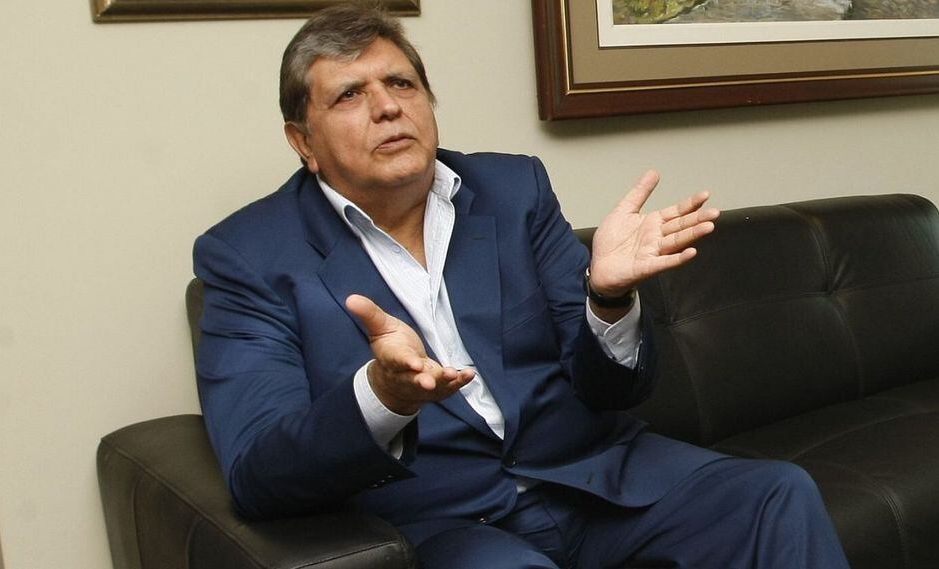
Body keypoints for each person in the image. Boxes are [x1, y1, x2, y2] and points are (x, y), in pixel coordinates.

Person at [193, 4, 851, 568]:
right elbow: (257, 474)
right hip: (444, 521)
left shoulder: (513, 190)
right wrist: (383, 396)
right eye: (349, 95)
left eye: (401, 82)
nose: (387, 106)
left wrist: (607, 299)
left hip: (593, 478)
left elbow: (613, 389)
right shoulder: (248, 256)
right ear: (303, 142)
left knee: (777, 494)